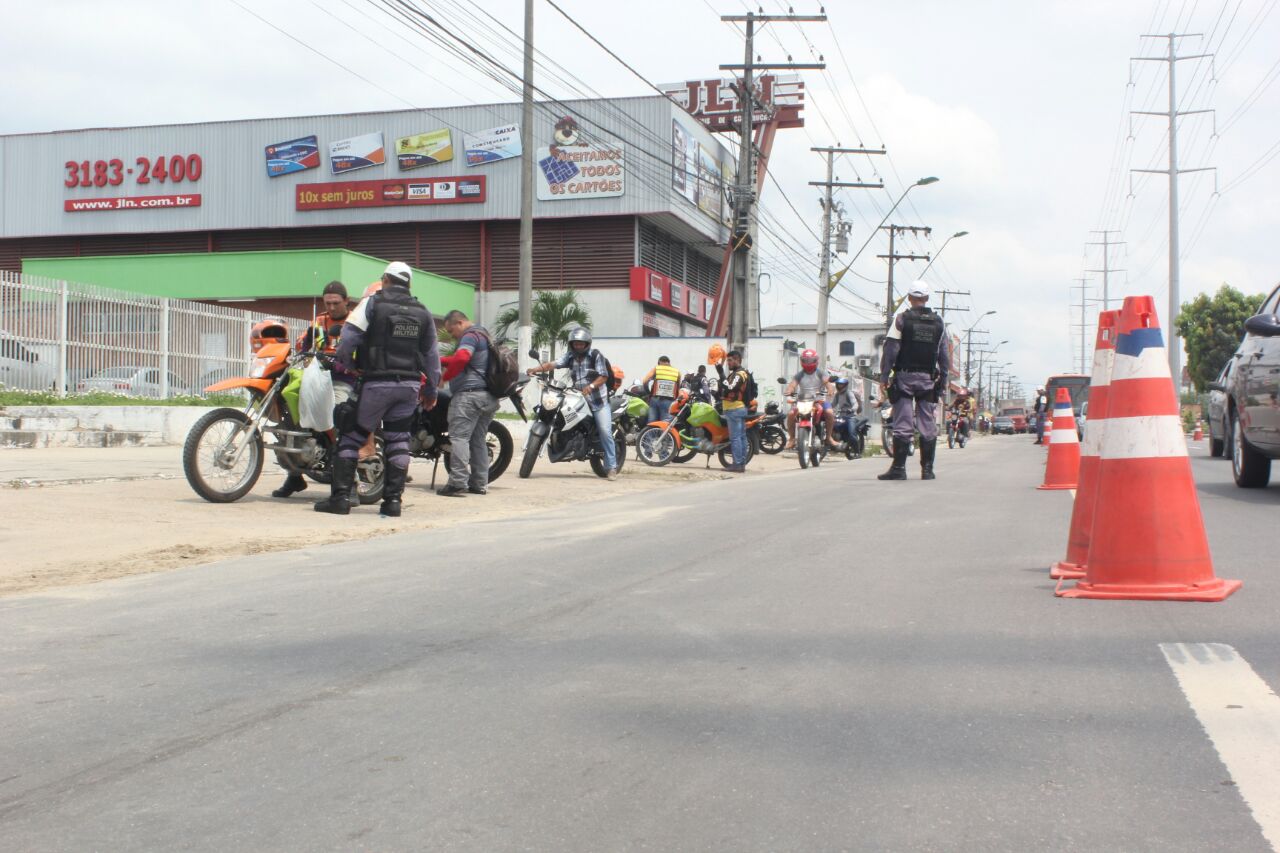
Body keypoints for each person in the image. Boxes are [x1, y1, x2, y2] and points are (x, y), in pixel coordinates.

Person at [316, 261, 440, 516]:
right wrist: (431, 390)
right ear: (409, 284)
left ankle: (340, 499)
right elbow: (432, 356)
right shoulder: (423, 312)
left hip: (376, 383)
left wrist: (348, 364)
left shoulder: (372, 303)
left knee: (351, 435)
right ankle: (392, 502)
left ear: (385, 279)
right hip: (408, 386)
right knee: (398, 440)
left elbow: (348, 338)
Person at [273, 280, 352, 499]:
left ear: (346, 301)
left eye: (336, 303)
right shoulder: (318, 321)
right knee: (290, 420)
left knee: (336, 415)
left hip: (342, 380)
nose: (332, 307)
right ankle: (294, 476)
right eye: (328, 303)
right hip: (315, 378)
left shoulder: (354, 323)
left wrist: (338, 363)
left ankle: (348, 480)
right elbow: (304, 344)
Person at [878, 280, 950, 481]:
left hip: (904, 378)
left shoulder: (901, 319)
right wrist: (943, 379)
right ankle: (927, 470)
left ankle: (899, 469)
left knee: (903, 423)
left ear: (909, 298)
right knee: (927, 423)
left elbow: (891, 349)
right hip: (928, 380)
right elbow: (944, 355)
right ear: (926, 299)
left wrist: (884, 376)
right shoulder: (939, 322)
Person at [526, 327, 618, 480]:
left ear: (587, 343)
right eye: (575, 344)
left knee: (604, 431)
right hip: (578, 397)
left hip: (597, 401)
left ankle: (611, 467)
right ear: (571, 344)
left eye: (581, 344)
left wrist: (592, 386)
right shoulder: (570, 357)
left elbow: (603, 376)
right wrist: (534, 369)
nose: (578, 346)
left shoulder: (596, 356)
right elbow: (553, 364)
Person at [436, 309, 499, 497]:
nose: (452, 336)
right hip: (487, 396)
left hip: (468, 397)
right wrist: (439, 360)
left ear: (460, 323)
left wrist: (445, 378)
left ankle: (457, 483)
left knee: (459, 438)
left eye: (451, 331)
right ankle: (479, 483)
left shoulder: (469, 336)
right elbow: (467, 360)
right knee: (478, 440)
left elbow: (463, 358)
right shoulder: (484, 334)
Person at [784, 349, 837, 450]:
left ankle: (829, 437)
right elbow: (792, 384)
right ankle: (791, 439)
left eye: (810, 360)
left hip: (819, 400)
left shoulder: (821, 373)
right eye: (805, 360)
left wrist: (830, 390)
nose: (808, 363)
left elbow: (827, 384)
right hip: (803, 401)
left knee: (829, 412)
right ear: (802, 361)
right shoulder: (799, 374)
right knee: (791, 414)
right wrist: (789, 390)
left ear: (816, 361)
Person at [715, 349, 751, 472]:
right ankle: (741, 463)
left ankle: (737, 464)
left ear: (737, 360)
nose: (728, 363)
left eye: (730, 360)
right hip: (739, 408)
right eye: (728, 360)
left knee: (736, 438)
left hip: (734, 409)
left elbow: (731, 388)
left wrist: (721, 374)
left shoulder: (739, 374)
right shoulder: (738, 373)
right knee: (741, 437)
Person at [641, 355, 680, 424]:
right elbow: (678, 388)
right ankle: (663, 434)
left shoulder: (657, 369)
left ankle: (650, 434)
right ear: (669, 363)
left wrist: (649, 393)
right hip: (668, 401)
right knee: (664, 424)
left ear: (659, 362)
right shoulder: (677, 372)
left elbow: (645, 381)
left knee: (651, 423)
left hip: (655, 399)